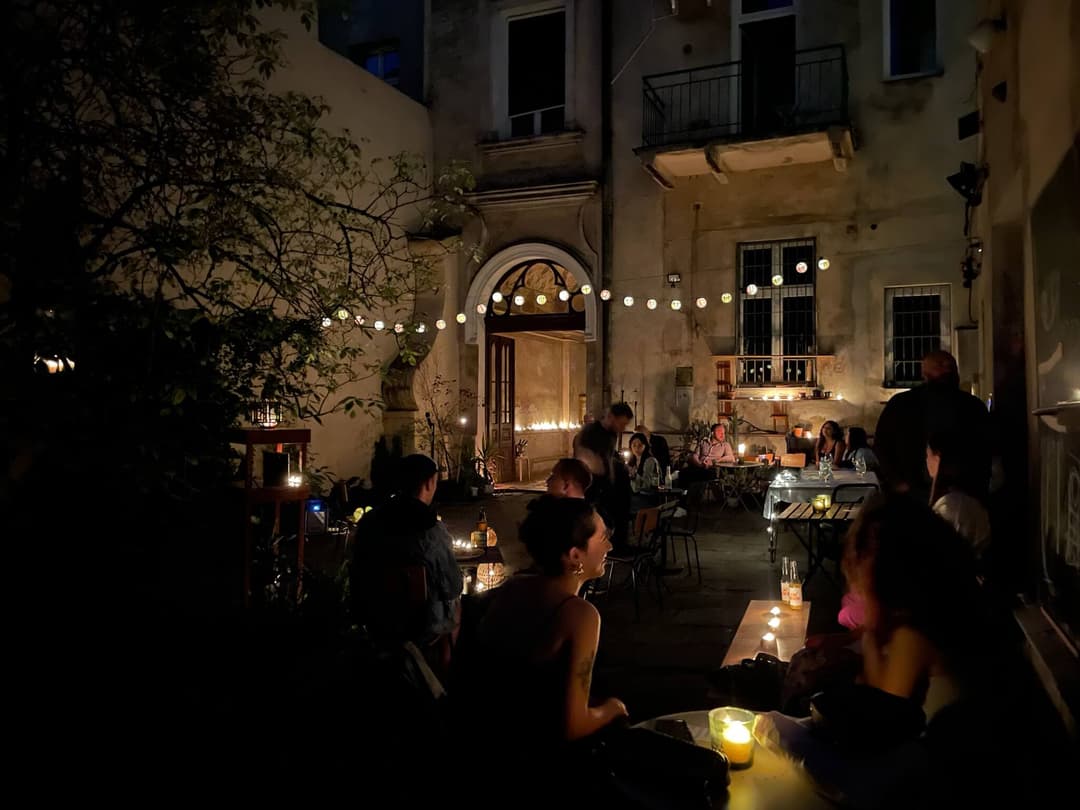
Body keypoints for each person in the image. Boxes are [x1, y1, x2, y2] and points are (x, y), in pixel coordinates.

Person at [452, 496, 628, 763]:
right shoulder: (579, 615)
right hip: (536, 756)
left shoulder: (513, 587)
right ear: (575, 555)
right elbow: (573, 725)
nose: (610, 546)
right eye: (603, 538)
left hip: (481, 739)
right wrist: (612, 709)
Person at [350, 454, 463, 652]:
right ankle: (443, 665)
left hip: (374, 619)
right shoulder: (430, 529)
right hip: (420, 626)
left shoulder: (369, 522)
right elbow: (452, 586)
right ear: (429, 483)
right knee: (456, 605)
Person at [874, 350, 991, 503]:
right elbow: (882, 445)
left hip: (960, 495)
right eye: (940, 365)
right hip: (912, 495)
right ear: (925, 373)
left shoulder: (973, 407)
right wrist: (898, 484)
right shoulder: (901, 405)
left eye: (951, 366)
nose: (947, 369)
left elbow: (985, 449)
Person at [574, 402, 634, 550]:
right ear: (611, 417)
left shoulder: (612, 434)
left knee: (621, 510)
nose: (623, 428)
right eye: (622, 424)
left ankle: (618, 546)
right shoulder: (591, 432)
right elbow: (583, 457)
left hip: (607, 484)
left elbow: (608, 456)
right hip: (591, 486)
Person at [927, 433, 991, 561]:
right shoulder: (965, 503)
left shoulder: (952, 508)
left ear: (937, 459)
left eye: (928, 455)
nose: (926, 461)